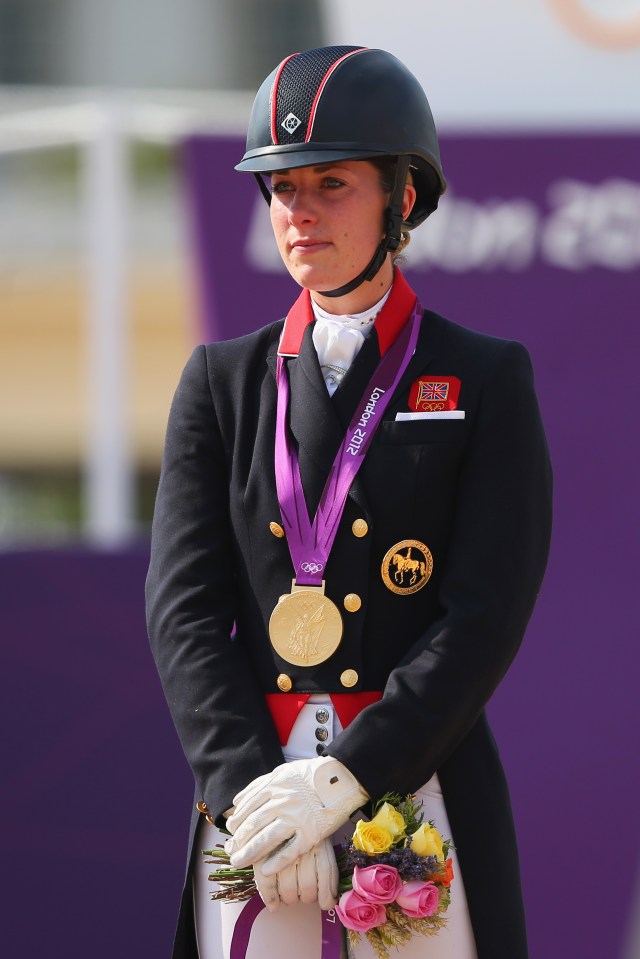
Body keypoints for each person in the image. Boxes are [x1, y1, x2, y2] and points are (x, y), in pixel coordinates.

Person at [146, 45, 552, 959]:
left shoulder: (482, 377)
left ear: (401, 199)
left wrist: (350, 778)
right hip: (254, 794)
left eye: (332, 183)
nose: (301, 211)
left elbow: (484, 614)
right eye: (284, 187)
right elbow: (184, 613)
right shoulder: (221, 381)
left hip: (416, 778)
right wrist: (251, 786)